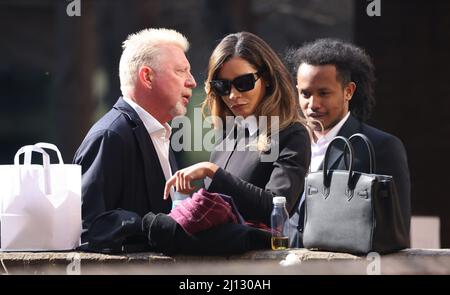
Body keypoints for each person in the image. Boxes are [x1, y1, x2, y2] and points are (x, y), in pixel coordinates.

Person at [164, 32, 311, 227]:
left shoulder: (292, 134)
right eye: (223, 86)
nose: (233, 95)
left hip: (262, 256)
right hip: (218, 252)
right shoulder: (229, 132)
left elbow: (276, 210)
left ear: (266, 78)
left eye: (244, 83)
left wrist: (212, 171)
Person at [73, 28, 196, 252]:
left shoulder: (159, 132)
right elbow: (89, 230)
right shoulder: (110, 136)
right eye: (181, 71)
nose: (192, 82)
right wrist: (147, 225)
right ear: (147, 76)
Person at [286, 38, 411, 247]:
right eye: (305, 93)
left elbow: (397, 232)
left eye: (323, 93)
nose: (312, 104)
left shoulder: (381, 147)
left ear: (349, 91)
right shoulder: (287, 144)